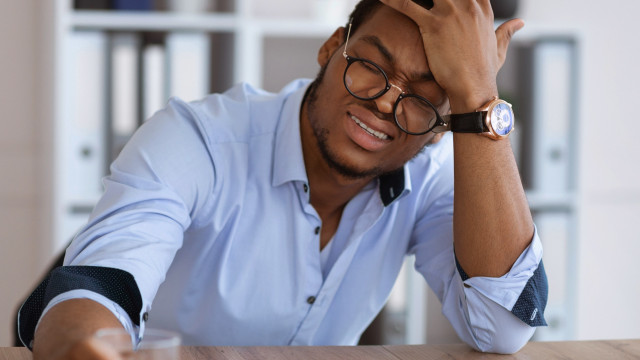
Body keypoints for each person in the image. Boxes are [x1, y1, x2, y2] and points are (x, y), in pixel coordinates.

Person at [18, 0, 547, 358]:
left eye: (424, 98)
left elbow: (501, 326)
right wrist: (87, 347)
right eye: (371, 65)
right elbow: (98, 289)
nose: (386, 102)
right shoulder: (198, 141)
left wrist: (479, 98)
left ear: (439, 129)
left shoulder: (429, 176)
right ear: (331, 47)